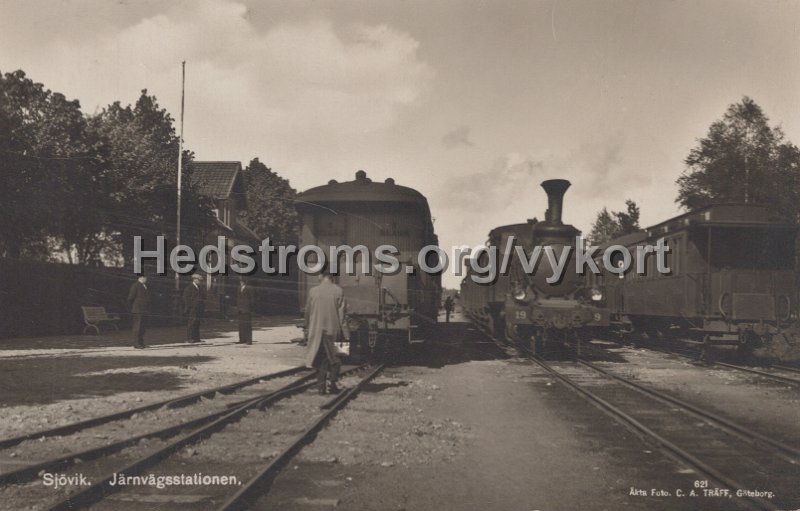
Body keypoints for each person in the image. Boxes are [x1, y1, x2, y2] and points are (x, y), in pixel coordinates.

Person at [304, 270, 348, 394]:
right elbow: (342, 315)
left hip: (316, 331)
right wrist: (346, 334)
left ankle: (321, 388)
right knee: (338, 358)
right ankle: (332, 383)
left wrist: (307, 329)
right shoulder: (339, 291)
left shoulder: (313, 291)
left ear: (322, 276)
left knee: (320, 360)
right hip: (333, 330)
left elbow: (307, 312)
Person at [127, 274, 150, 349]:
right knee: (137, 327)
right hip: (138, 310)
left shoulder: (144, 286)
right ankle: (136, 343)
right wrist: (134, 307)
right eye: (145, 277)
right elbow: (130, 298)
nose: (146, 279)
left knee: (143, 327)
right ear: (141, 277)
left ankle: (141, 343)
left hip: (144, 310)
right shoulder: (135, 285)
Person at [183, 273, 206, 343]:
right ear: (195, 280)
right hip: (192, 309)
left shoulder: (199, 288)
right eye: (199, 280)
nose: (200, 282)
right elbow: (185, 298)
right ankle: (189, 338)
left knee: (197, 323)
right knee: (191, 323)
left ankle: (196, 338)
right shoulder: (189, 287)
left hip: (199, 309)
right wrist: (191, 306)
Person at [236, 276, 255, 344]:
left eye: (241, 281)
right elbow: (238, 298)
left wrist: (251, 308)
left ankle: (249, 340)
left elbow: (252, 299)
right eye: (240, 281)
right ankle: (242, 339)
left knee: (247, 325)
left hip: (247, 309)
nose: (240, 282)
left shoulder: (249, 288)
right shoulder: (239, 288)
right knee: (241, 325)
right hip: (240, 309)